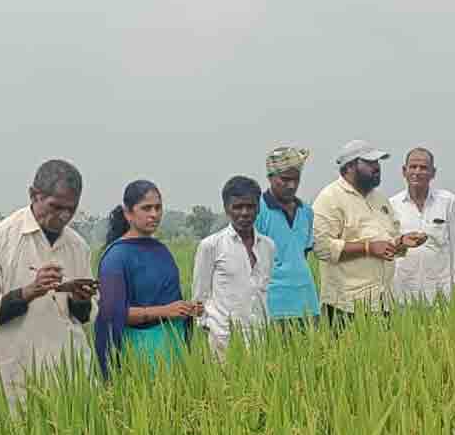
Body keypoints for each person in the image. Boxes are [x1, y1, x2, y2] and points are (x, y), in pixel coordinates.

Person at [0, 159, 99, 406]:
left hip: (70, 368)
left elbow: (85, 317)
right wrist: (29, 292)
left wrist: (81, 300)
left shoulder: (78, 246)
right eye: (56, 207)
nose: (64, 216)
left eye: (72, 208)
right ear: (34, 195)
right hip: (17, 369)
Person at [311, 140, 427, 327]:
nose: (377, 168)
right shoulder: (330, 199)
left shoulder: (379, 199)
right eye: (370, 163)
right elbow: (322, 247)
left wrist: (402, 242)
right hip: (346, 307)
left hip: (382, 302)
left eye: (378, 163)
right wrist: (367, 248)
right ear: (349, 167)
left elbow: (385, 245)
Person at [93, 181, 203, 380]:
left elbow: (168, 299)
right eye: (146, 208)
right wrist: (164, 311)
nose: (154, 214)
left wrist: (186, 309)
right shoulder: (116, 256)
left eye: (158, 207)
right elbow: (112, 313)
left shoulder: (161, 250)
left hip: (173, 346)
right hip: (140, 351)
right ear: (128, 213)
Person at [192, 176, 276, 361]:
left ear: (258, 207)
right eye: (237, 207)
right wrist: (210, 331)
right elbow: (200, 297)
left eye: (250, 206)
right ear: (226, 208)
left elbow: (263, 291)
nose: (244, 213)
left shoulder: (268, 246)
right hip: (222, 341)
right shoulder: (211, 245)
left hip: (259, 337)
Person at [390, 147, 455, 304]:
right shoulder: (392, 205)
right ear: (404, 171)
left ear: (433, 173)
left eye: (423, 168)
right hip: (403, 293)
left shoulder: (447, 201)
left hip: (440, 292)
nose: (417, 172)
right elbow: (389, 249)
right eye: (412, 167)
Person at [255, 145, 319, 329]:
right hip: (273, 305)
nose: (291, 185)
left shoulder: (306, 212)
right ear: (270, 177)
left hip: (307, 302)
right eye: (285, 179)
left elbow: (301, 255)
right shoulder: (258, 210)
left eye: (296, 179)